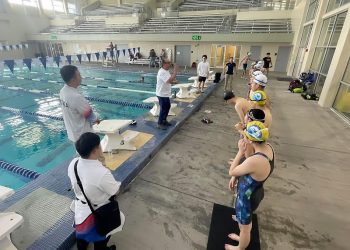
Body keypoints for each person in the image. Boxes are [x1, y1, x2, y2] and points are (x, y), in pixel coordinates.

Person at [226, 121, 274, 250]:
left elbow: (232, 171)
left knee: (245, 228)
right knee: (244, 222)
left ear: (249, 140)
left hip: (246, 200)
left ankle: (240, 247)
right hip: (256, 192)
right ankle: (242, 229)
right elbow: (250, 166)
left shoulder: (255, 160)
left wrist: (240, 152)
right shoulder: (269, 148)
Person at [68, 132, 121, 250]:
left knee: (81, 237)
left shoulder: (73, 164)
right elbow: (115, 191)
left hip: (80, 210)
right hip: (99, 213)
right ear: (95, 150)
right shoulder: (101, 172)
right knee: (101, 236)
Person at [59, 65, 100, 144]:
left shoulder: (62, 91)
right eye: (79, 75)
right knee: (93, 155)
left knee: (82, 154)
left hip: (73, 134)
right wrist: (98, 121)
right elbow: (90, 116)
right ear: (73, 79)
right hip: (84, 136)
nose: (81, 77)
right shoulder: (76, 97)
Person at [156, 59, 178, 130]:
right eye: (169, 63)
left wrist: (174, 82)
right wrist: (175, 71)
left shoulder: (166, 71)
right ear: (164, 64)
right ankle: (159, 123)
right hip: (161, 94)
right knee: (163, 109)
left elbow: (168, 81)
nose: (170, 64)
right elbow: (168, 80)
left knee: (168, 107)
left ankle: (164, 120)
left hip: (166, 93)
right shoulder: (161, 72)